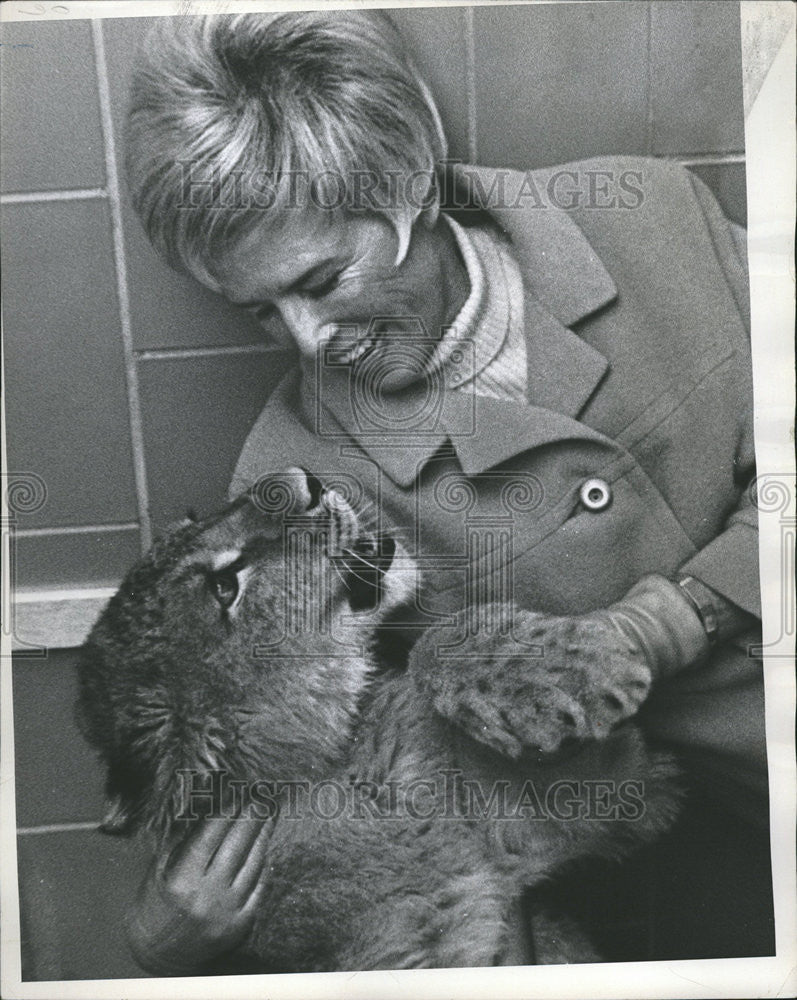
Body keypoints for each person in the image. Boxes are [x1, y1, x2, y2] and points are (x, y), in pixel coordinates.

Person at [122, 10, 770, 973]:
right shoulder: (292, 482)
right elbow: (353, 788)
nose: (307, 341)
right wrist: (162, 942)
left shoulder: (652, 216)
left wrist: (666, 623)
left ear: (410, 185)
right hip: (696, 862)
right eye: (258, 309)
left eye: (323, 278)